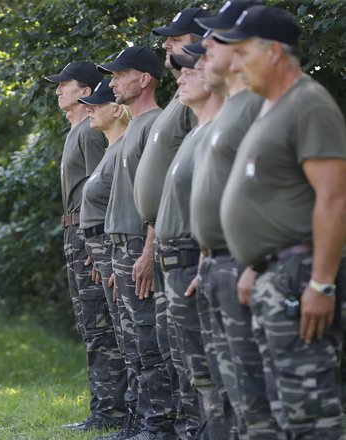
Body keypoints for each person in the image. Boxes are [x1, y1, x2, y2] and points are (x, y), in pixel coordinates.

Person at [217, 5, 346, 438]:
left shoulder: (308, 104)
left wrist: (322, 283)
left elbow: (335, 197)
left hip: (300, 277)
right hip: (275, 276)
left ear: (273, 52)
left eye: (242, 52)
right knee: (280, 407)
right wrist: (256, 266)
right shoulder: (272, 108)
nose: (233, 62)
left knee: (309, 413)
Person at [189, 2, 281, 439]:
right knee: (228, 390)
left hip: (245, 265)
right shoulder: (228, 108)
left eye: (217, 37)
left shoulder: (258, 107)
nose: (204, 45)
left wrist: (255, 261)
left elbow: (276, 190)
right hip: (216, 262)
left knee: (253, 394)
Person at [132, 8, 207, 439]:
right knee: (171, 348)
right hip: (165, 240)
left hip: (188, 244)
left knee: (192, 357)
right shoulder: (183, 95)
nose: (165, 45)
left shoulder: (197, 99)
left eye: (174, 38)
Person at [98, 46, 177, 440]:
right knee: (131, 341)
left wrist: (147, 252)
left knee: (148, 340)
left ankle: (159, 423)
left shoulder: (156, 124)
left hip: (139, 246)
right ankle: (138, 420)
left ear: (144, 79)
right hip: (122, 246)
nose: (112, 82)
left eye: (119, 74)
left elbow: (158, 198)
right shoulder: (133, 127)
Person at [45, 61, 126, 432]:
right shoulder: (77, 131)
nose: (57, 90)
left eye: (65, 84)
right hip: (75, 234)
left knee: (101, 324)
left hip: (90, 235)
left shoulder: (91, 134)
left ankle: (111, 410)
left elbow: (106, 190)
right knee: (90, 324)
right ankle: (104, 407)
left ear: (85, 91)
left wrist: (101, 246)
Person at [155, 50, 228, 438]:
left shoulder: (218, 131)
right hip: (177, 263)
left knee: (207, 373)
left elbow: (222, 203)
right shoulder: (197, 132)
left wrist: (205, 259)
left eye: (189, 72)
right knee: (188, 368)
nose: (180, 78)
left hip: (195, 262)